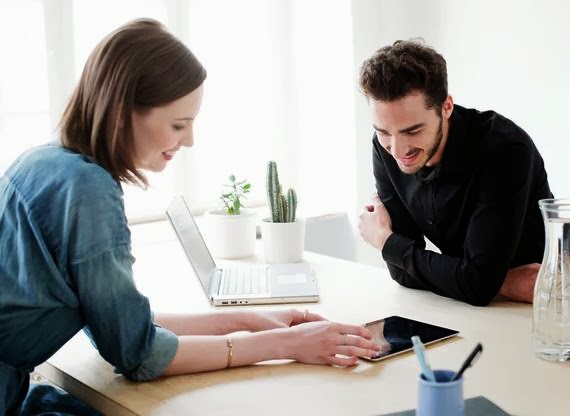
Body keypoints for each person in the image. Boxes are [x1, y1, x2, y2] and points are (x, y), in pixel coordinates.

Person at [0, 19, 380, 415]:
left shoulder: (45, 161)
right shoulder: (88, 190)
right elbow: (138, 354)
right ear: (121, 112)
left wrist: (251, 321)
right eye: (178, 125)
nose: (190, 140)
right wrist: (286, 345)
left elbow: (119, 325)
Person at [357, 39, 553, 307]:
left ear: (446, 107)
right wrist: (498, 282)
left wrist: (384, 241)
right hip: (473, 305)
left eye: (412, 131)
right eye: (383, 132)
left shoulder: (505, 150)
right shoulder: (385, 150)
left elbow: (475, 285)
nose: (398, 149)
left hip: (542, 303)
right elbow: (402, 273)